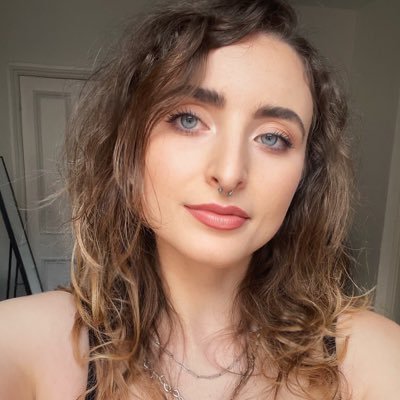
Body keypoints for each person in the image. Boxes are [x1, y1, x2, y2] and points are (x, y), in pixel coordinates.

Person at [1, 0, 399, 399]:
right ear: (129, 147)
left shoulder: (370, 356)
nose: (229, 173)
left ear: (305, 175)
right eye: (188, 119)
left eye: (273, 138)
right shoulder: (27, 342)